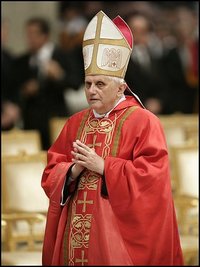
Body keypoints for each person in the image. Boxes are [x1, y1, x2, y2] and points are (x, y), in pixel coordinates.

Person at [41, 11, 183, 266]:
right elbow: (51, 170)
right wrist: (72, 170)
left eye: (100, 84)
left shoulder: (144, 121)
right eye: (88, 84)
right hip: (75, 238)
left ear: (120, 87)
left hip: (116, 239)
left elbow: (153, 178)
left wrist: (105, 166)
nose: (92, 91)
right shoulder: (75, 123)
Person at [11, 17, 80, 149]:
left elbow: (75, 82)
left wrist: (59, 76)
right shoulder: (22, 60)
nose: (29, 39)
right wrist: (25, 90)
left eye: (33, 34)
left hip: (55, 117)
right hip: (31, 121)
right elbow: (14, 87)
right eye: (27, 34)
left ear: (45, 36)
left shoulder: (62, 55)